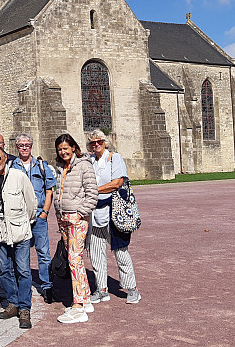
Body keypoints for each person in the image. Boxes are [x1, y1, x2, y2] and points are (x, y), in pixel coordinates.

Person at [0, 147, 37, 329]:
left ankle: (24, 308)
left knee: (23, 271)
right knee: (5, 270)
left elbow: (31, 202)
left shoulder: (19, 176)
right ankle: (13, 303)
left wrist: (26, 223)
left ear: (5, 158)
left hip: (20, 231)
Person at [86, 130, 141, 305]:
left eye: (99, 142)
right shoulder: (90, 161)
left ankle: (132, 289)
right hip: (94, 212)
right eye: (93, 143)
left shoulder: (114, 158)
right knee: (96, 253)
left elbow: (117, 183)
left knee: (120, 250)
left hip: (113, 211)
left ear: (105, 142)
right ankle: (101, 289)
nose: (96, 145)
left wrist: (94, 190)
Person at [53, 133, 98, 324]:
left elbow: (92, 194)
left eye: (66, 148)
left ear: (73, 148)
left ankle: (78, 306)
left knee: (74, 260)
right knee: (74, 259)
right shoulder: (60, 167)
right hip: (63, 219)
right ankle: (85, 298)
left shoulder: (84, 165)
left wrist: (80, 213)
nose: (63, 151)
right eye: (60, 149)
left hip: (77, 219)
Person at [11, 133, 56, 303]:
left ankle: (47, 286)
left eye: (27, 145)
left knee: (43, 253)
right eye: (21, 145)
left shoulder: (41, 166)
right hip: (20, 217)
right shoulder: (12, 166)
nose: (24, 148)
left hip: (39, 216)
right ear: (17, 147)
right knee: (21, 253)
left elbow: (49, 189)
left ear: (31, 146)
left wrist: (45, 212)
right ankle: (23, 285)